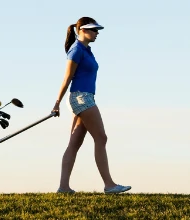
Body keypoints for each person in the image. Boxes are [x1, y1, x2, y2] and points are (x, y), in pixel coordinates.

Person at [52, 17, 131, 194]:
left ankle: (63, 187)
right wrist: (56, 103)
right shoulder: (76, 50)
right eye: (93, 30)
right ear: (82, 30)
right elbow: (67, 78)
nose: (96, 33)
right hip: (81, 98)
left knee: (74, 143)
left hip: (85, 97)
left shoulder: (87, 50)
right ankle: (109, 185)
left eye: (97, 30)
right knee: (101, 138)